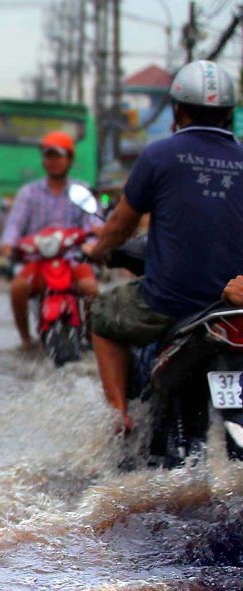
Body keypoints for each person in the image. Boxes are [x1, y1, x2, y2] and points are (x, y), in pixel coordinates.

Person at [87, 60, 243, 430]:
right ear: (228, 114)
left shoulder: (157, 155)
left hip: (171, 302)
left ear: (177, 110)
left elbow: (120, 226)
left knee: (103, 314)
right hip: (231, 304)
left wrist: (97, 251)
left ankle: (119, 418)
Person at [0, 131, 97, 347]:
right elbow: (14, 225)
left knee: (91, 289)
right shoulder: (28, 193)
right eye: (48, 156)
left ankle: (91, 337)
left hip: (73, 259)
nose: (52, 161)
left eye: (58, 156)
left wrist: (92, 243)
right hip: (38, 262)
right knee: (18, 289)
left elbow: (94, 224)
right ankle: (25, 340)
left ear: (69, 159)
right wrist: (7, 245)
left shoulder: (82, 191)